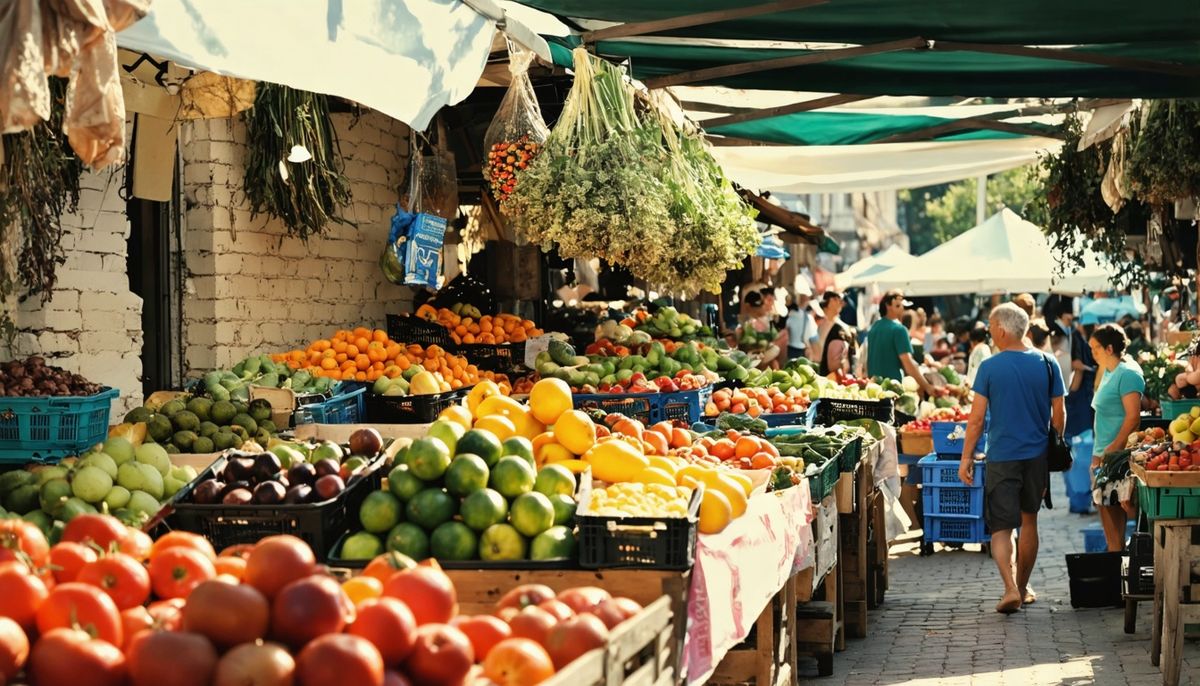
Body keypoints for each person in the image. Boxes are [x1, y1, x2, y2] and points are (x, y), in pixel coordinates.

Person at [960, 303, 1065, 614]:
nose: (990, 332)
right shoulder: (1048, 363)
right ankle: (1022, 587)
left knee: (1002, 528)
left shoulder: (990, 367)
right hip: (1037, 457)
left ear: (1002, 330)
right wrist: (1052, 447)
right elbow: (1059, 415)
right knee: (1029, 520)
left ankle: (1009, 588)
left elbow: (976, 420)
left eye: (992, 327)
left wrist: (965, 458)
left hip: (1002, 456)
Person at [1089, 324, 1144, 552]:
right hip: (1104, 455)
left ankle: (1117, 578)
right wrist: (1096, 456)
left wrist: (1114, 447)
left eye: (1096, 348)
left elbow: (1133, 418)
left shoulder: (1128, 373)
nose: (1093, 353)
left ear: (1109, 348)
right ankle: (1116, 575)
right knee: (1111, 532)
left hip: (1117, 458)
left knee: (1115, 528)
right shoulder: (1109, 371)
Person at [866, 291, 935, 395]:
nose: (902, 307)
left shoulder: (874, 328)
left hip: (873, 390)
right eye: (899, 304)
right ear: (888, 305)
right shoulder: (899, 329)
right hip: (893, 390)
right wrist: (927, 386)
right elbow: (908, 363)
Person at [816, 290, 856, 375]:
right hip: (822, 372)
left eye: (840, 298)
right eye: (835, 298)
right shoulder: (819, 325)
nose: (840, 301)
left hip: (840, 375)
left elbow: (851, 355)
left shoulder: (844, 328)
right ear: (826, 303)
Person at [785, 293, 819, 361]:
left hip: (791, 347)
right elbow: (813, 337)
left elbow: (787, 328)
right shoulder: (807, 317)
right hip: (800, 348)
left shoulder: (791, 313)